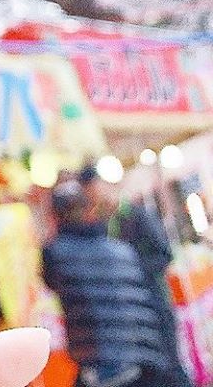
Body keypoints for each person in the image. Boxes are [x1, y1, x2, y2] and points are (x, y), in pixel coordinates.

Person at [43, 178, 172, 387]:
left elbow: (50, 282)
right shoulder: (120, 248)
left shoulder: (56, 252)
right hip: (145, 355)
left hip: (103, 362)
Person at [79, 165, 193, 387]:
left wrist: (130, 271)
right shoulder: (103, 224)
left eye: (93, 191)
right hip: (131, 310)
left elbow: (164, 254)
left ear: (102, 185)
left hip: (155, 302)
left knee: (170, 364)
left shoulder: (136, 214)